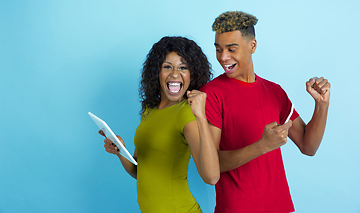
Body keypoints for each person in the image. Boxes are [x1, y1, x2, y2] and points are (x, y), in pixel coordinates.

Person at [200, 11, 331, 213]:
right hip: (237, 208)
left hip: (279, 207)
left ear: (252, 46)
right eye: (218, 49)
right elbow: (212, 165)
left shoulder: (274, 91)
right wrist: (262, 146)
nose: (223, 57)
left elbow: (308, 146)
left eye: (231, 49)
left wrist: (322, 105)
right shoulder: (211, 94)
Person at [98, 36, 220, 213]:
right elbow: (141, 172)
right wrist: (120, 151)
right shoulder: (149, 110)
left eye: (183, 67)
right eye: (167, 67)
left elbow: (211, 177)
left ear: (192, 74)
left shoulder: (187, 113)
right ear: (157, 72)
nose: (175, 74)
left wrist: (201, 117)